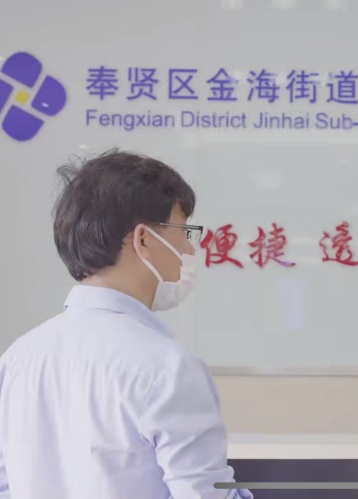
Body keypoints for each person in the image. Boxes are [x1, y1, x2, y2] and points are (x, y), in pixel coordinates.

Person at [0, 150, 252, 499]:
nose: (189, 250)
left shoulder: (18, 358)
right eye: (183, 231)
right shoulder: (167, 367)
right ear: (144, 239)